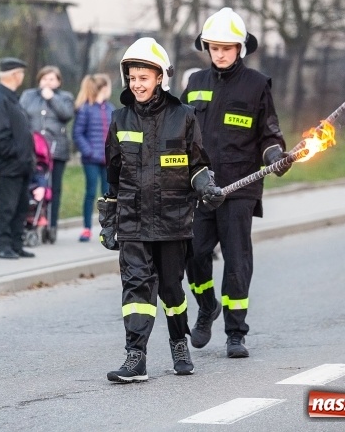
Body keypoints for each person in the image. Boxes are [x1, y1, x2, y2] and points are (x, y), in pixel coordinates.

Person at [100, 37, 224, 383]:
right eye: (132, 77)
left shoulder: (184, 117)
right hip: (133, 221)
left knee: (171, 289)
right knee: (136, 288)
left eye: (144, 76)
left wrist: (207, 188)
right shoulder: (119, 119)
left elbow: (197, 166)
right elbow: (112, 175)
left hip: (172, 221)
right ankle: (135, 356)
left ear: (160, 78)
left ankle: (178, 342)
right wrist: (109, 220)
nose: (137, 84)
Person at [183, 7, 289, 358]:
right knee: (193, 253)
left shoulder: (257, 85)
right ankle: (206, 306)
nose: (220, 53)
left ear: (240, 48)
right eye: (214, 47)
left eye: (227, 47)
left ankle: (235, 332)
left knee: (237, 259)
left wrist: (275, 156)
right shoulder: (195, 83)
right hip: (200, 188)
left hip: (240, 188)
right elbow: (178, 133)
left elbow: (269, 134)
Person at [0, 57, 36, 260]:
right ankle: (3, 246)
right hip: (8, 166)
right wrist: (16, 154)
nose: (22, 77)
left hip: (20, 166)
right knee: (6, 208)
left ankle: (15, 244)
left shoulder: (11, 98)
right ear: (15, 75)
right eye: (21, 73)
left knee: (20, 207)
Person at [19, 65, 75, 243]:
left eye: (52, 79)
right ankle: (30, 222)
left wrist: (52, 99)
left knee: (53, 189)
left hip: (56, 150)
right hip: (34, 151)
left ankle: (51, 226)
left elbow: (67, 115)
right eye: (44, 78)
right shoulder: (29, 96)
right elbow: (21, 115)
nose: (47, 82)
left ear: (58, 82)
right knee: (33, 187)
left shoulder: (65, 97)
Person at [72, 74, 114, 242]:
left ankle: (108, 228)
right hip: (91, 159)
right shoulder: (86, 108)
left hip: (107, 160)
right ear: (104, 88)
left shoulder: (110, 108)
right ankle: (87, 228)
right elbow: (77, 133)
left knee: (107, 194)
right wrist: (88, 151)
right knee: (90, 192)